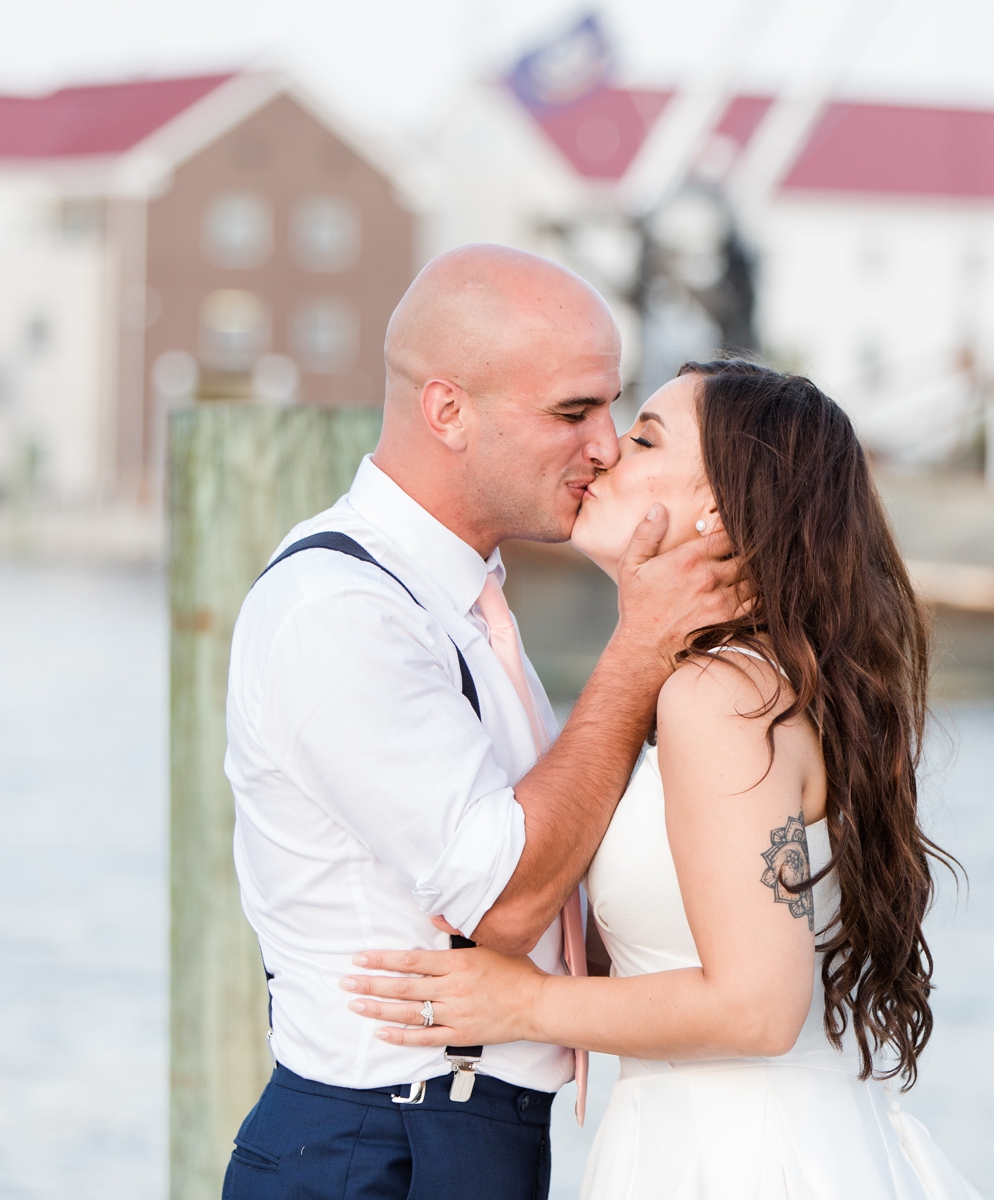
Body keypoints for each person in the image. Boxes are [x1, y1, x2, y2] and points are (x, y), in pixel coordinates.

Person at [341, 360, 983, 1198]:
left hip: (739, 1160)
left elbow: (757, 1006)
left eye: (643, 437)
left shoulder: (718, 695)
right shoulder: (747, 683)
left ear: (715, 509)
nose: (604, 452)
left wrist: (521, 1005)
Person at [221, 245, 740, 1199]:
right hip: (382, 1146)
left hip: (458, 1136)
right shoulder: (341, 613)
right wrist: (639, 650)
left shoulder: (460, 603)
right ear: (447, 410)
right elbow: (500, 902)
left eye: (612, 408)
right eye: (573, 411)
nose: (607, 445)